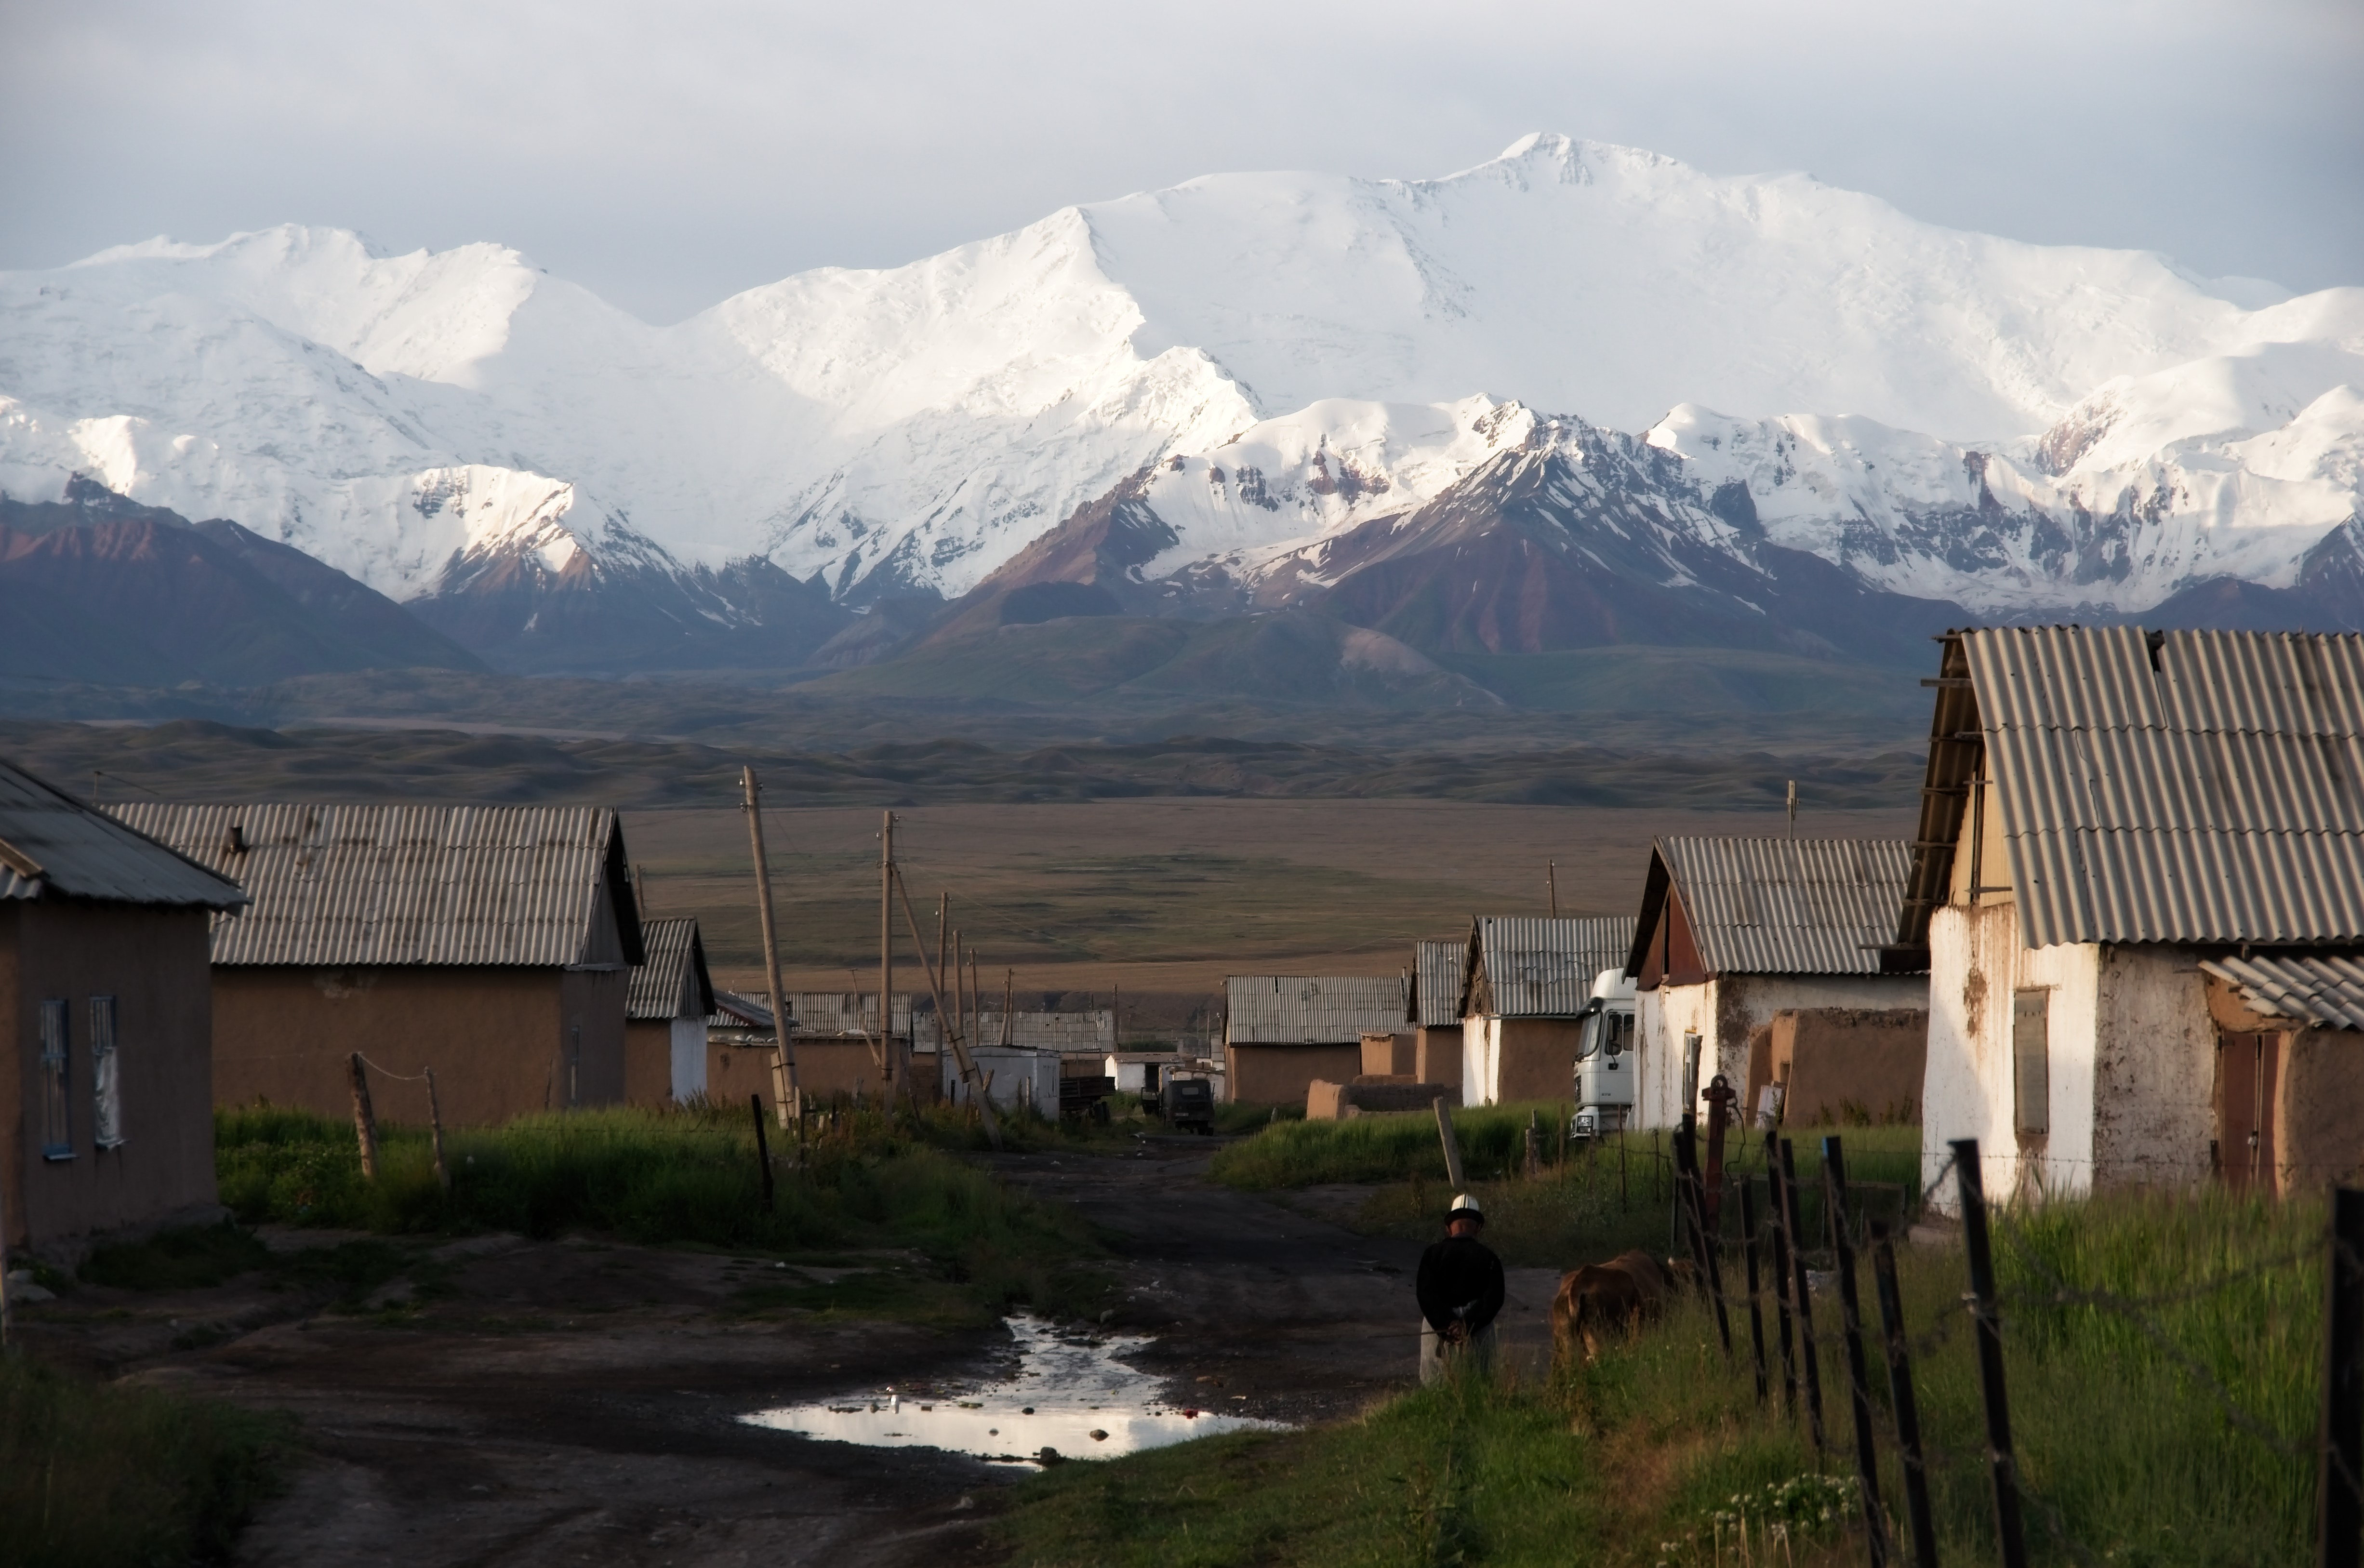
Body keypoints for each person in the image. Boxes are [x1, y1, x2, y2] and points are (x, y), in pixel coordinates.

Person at [1415, 1193, 1506, 1384]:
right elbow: (1494, 1298)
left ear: (1449, 1228)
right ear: (1478, 1228)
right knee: (1481, 1383)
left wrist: (1447, 1325)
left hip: (1438, 1329)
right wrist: (1466, 1325)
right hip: (1478, 1332)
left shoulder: (1432, 1254)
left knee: (1435, 1385)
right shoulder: (1489, 1258)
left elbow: (1426, 1294)